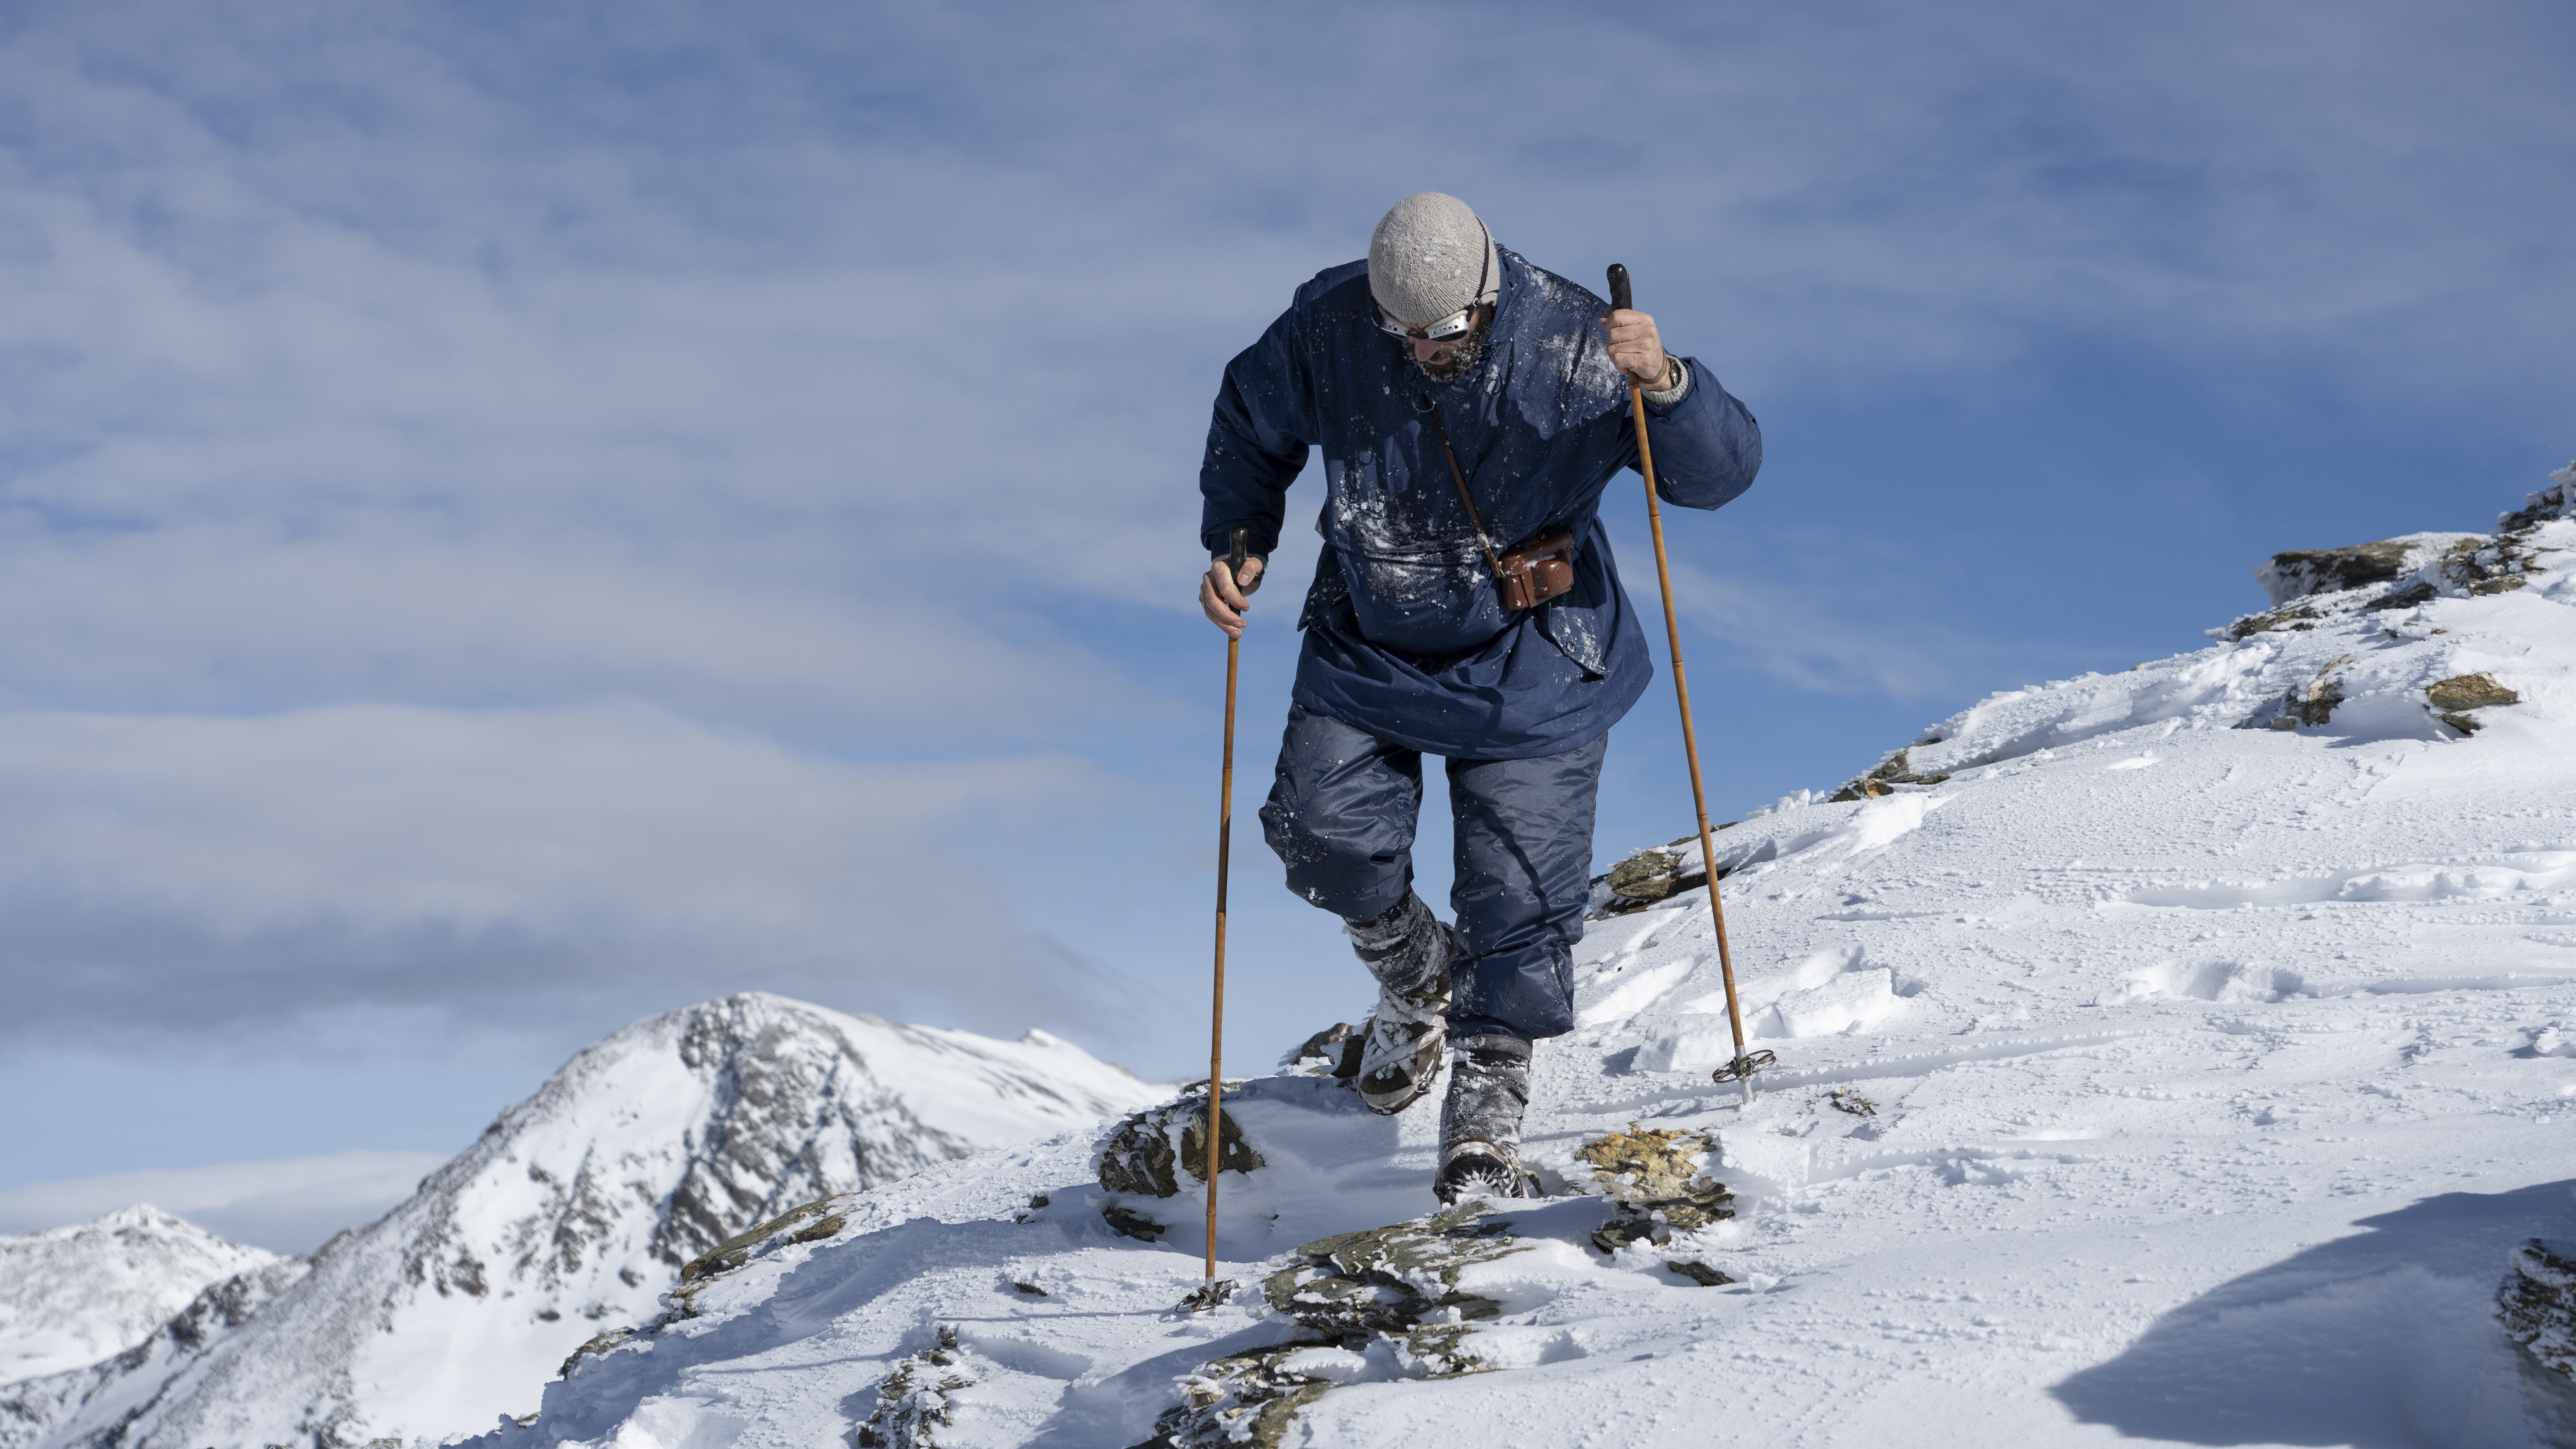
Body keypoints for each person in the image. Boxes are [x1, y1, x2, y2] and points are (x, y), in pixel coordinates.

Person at [1196, 192, 1761, 1202]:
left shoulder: (1582, 340)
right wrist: (1240, 542)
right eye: (1399, 330)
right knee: (1319, 834)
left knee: (1522, 893)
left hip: (1537, 652)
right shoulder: (1329, 325)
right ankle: (1419, 979)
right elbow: (1251, 418)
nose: (1419, 347)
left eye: (1443, 329)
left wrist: (1669, 387)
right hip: (1372, 629)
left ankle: (1486, 1122)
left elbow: (1717, 479)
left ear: (1487, 296)